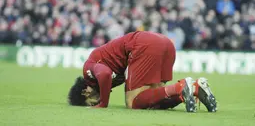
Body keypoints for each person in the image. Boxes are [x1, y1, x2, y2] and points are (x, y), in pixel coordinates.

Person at [68, 31, 217, 112]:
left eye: (92, 101)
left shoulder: (88, 69)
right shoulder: (103, 74)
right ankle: (194, 88)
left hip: (144, 46)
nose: (96, 101)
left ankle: (181, 86)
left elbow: (105, 74)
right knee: (153, 100)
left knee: (132, 102)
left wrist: (103, 104)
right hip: (164, 43)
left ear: (85, 92)